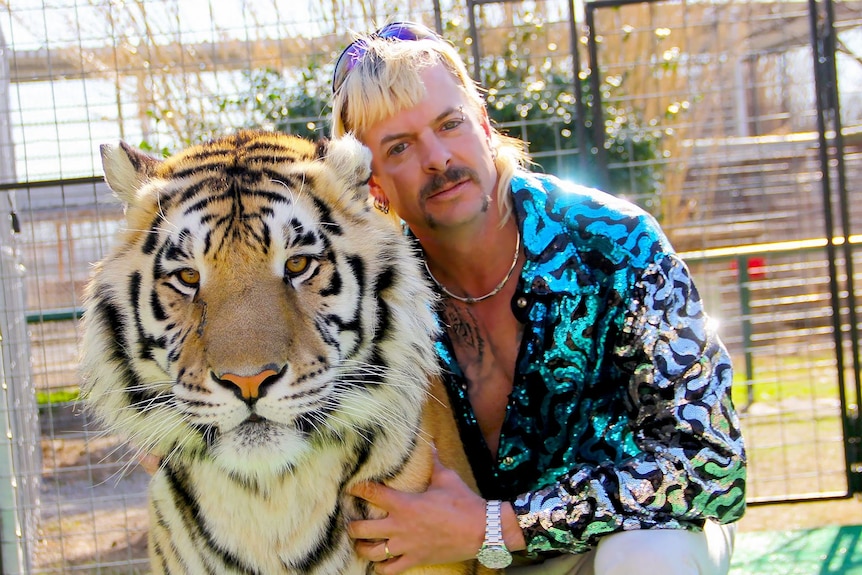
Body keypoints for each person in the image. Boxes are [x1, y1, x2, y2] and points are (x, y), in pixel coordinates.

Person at [330, 22, 746, 575]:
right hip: (463, 561)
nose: (436, 157)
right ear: (374, 184)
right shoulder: (372, 302)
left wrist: (497, 527)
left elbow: (712, 466)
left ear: (482, 125)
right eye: (400, 147)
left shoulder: (618, 242)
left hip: (617, 542)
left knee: (649, 558)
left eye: (449, 124)